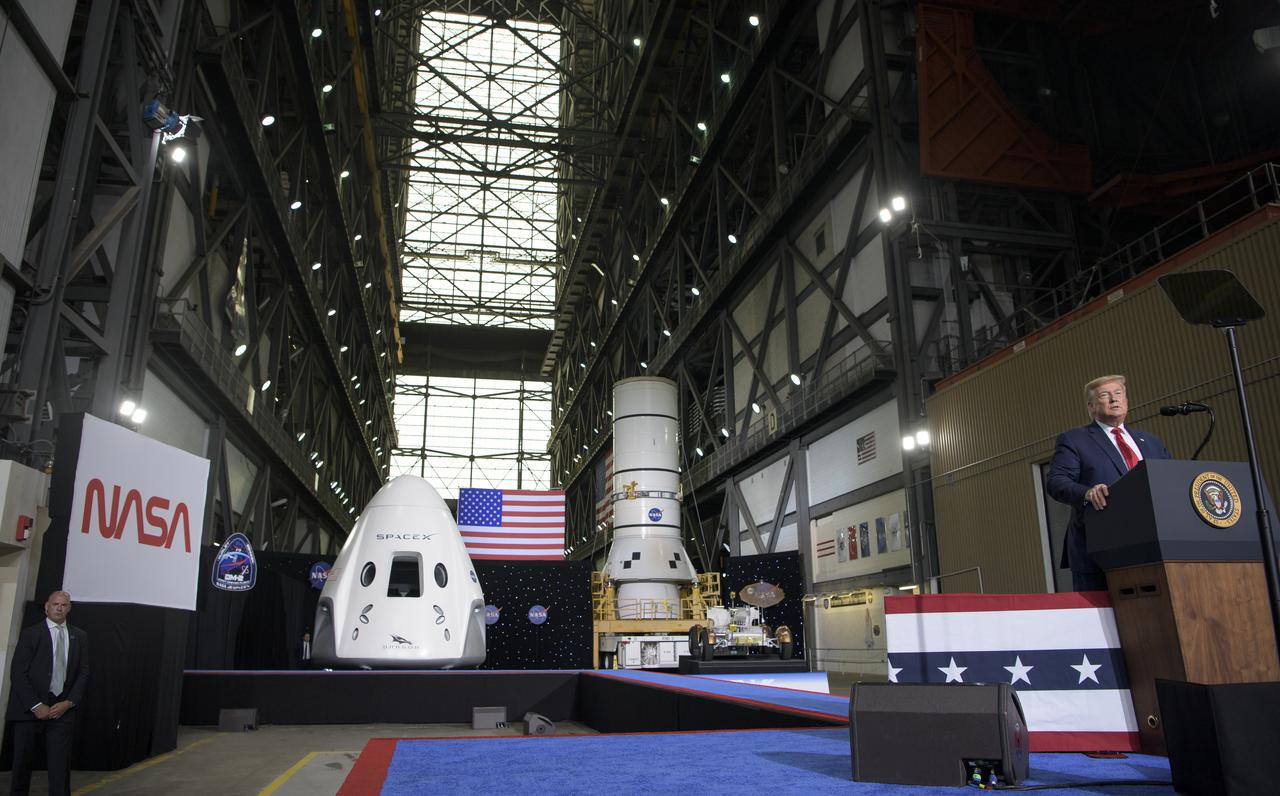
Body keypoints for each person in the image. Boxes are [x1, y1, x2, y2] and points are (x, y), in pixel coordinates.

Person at [1047, 375, 1172, 591]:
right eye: (1105, 395)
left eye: (1119, 393)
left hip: (1153, 545)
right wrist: (1087, 493)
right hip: (1099, 548)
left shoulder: (1150, 442)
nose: (1114, 399)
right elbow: (1057, 482)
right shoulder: (1075, 440)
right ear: (1091, 407)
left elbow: (1170, 479)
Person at [6, 590, 89, 796]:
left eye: (63, 605)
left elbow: (83, 672)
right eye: (55, 604)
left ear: (69, 608)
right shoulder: (31, 634)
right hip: (29, 711)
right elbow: (18, 673)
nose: (59, 608)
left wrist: (69, 702)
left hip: (62, 710)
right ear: (46, 606)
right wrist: (35, 705)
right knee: (22, 765)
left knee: (59, 767)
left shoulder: (79, 636)